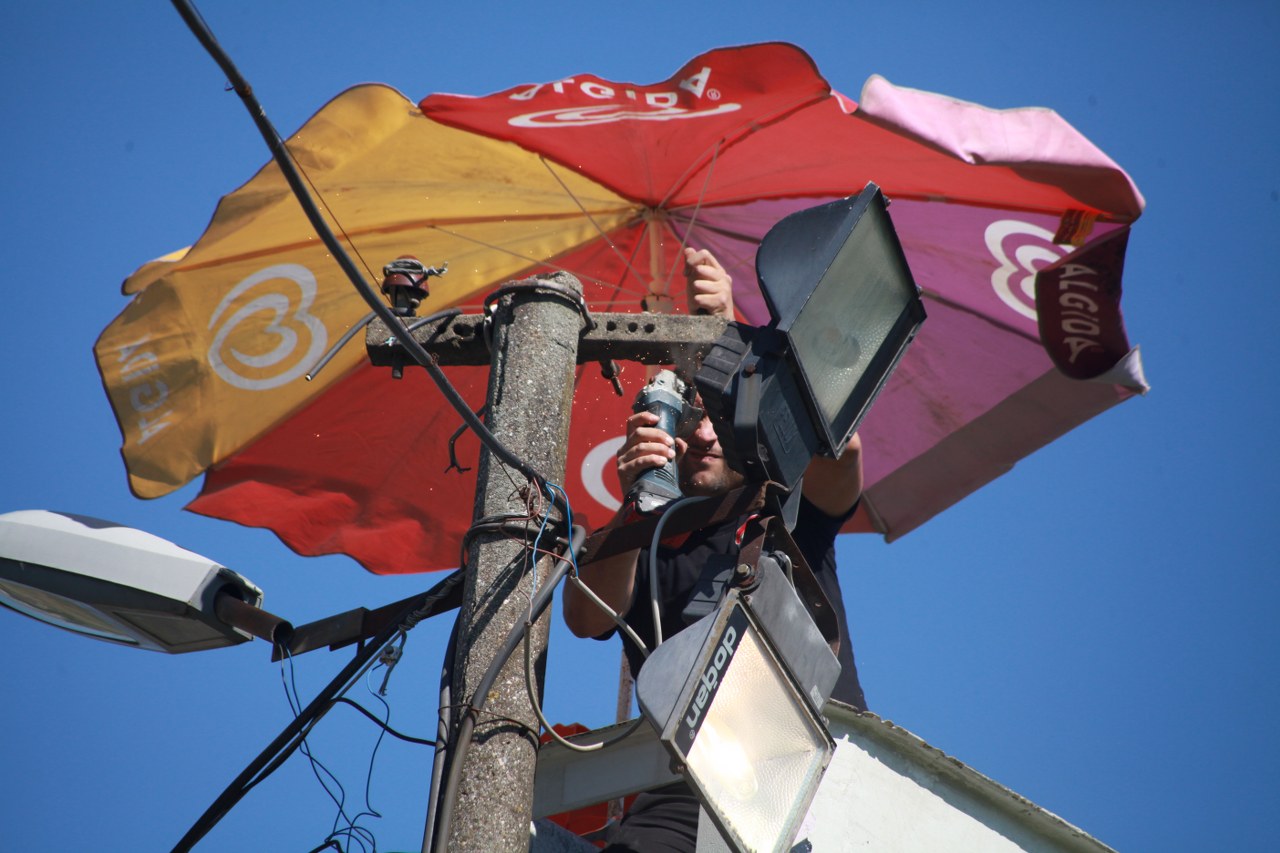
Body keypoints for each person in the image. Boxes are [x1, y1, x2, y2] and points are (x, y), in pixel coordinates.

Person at [561, 247, 868, 853]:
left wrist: (734, 343)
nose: (702, 434)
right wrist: (635, 506)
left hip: (815, 774)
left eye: (720, 416)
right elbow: (585, 616)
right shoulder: (648, 543)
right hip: (691, 783)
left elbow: (845, 452)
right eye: (687, 418)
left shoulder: (787, 504)